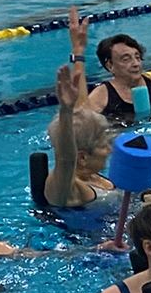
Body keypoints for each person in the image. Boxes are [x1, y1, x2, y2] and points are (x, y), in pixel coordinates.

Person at [43, 62, 123, 234]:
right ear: (82, 157)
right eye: (103, 145)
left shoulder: (92, 175)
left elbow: (82, 109)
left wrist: (78, 54)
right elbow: (65, 159)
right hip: (92, 248)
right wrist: (65, 111)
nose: (110, 150)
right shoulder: (69, 190)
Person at [78, 14, 151, 125]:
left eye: (137, 57)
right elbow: (81, 125)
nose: (136, 64)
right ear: (110, 65)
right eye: (126, 59)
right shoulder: (102, 95)